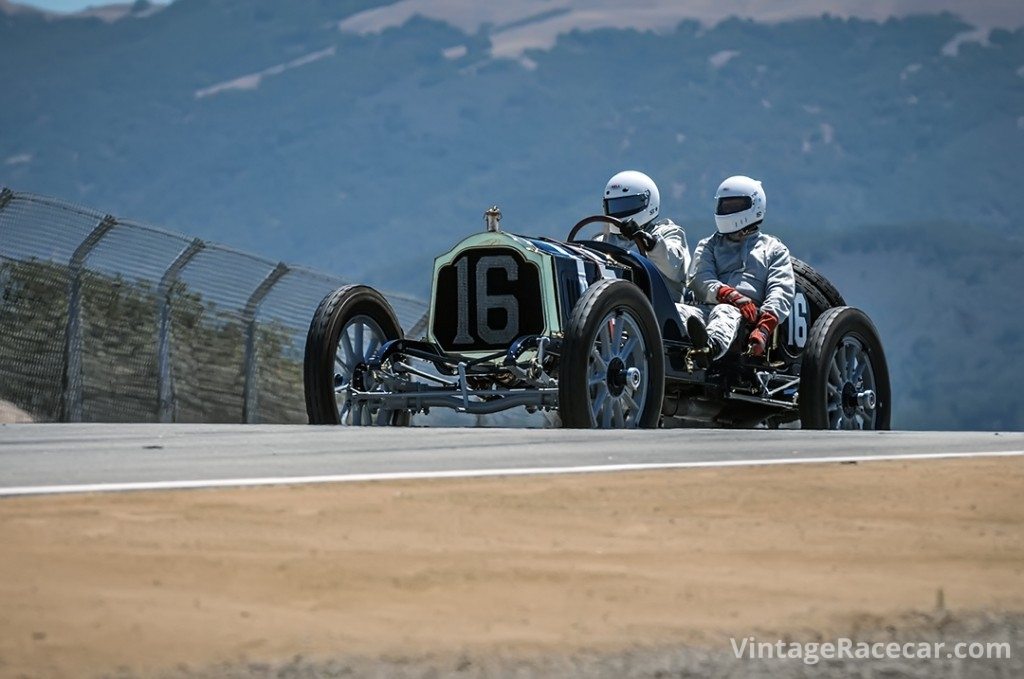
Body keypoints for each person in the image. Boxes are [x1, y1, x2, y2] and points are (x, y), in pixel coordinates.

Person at [679, 175, 795, 363]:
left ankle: (709, 350)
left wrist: (763, 329)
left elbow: (780, 291)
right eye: (724, 206)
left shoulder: (774, 249)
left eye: (734, 206)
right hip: (708, 310)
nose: (727, 211)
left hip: (749, 320)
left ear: (755, 205)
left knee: (725, 311)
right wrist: (729, 294)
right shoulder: (709, 245)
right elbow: (699, 279)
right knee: (675, 311)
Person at [598, 170, 690, 302]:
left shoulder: (668, 233)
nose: (619, 212)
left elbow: (673, 267)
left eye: (628, 204)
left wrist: (650, 243)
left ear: (648, 201)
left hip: (661, 310)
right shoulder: (603, 241)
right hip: (616, 308)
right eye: (613, 206)